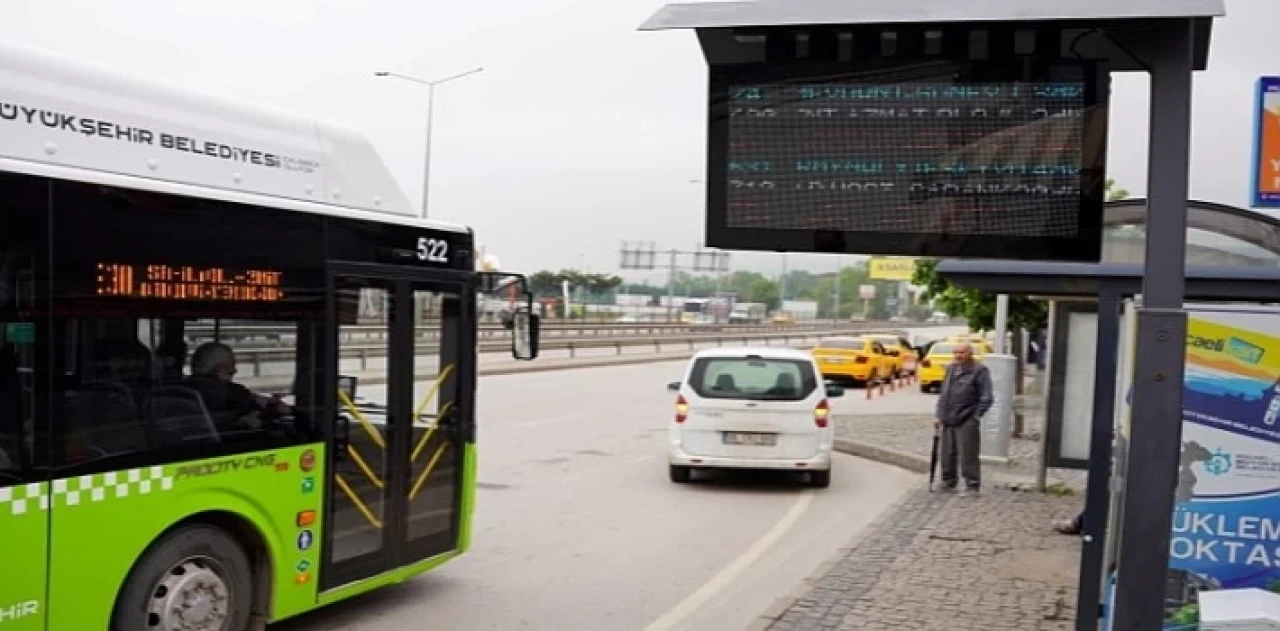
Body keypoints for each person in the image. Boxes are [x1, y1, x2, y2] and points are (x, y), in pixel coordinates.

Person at [933, 342, 994, 496]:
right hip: (948, 417)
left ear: (970, 354)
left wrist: (976, 415)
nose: (958, 355)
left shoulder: (979, 370)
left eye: (962, 352)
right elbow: (944, 394)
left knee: (968, 453)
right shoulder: (951, 369)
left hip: (967, 417)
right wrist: (939, 415)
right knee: (947, 452)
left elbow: (986, 397)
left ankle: (972, 485)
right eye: (956, 352)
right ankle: (948, 481)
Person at [185, 342, 289, 432]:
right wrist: (274, 406)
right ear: (220, 369)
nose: (235, 371)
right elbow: (277, 410)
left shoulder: (184, 388)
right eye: (231, 366)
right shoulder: (231, 392)